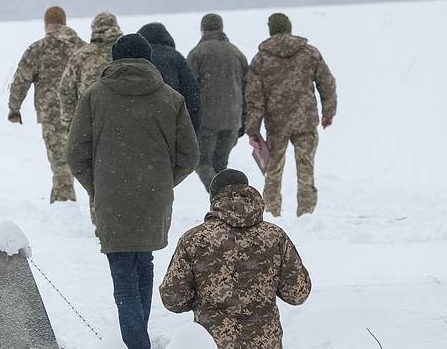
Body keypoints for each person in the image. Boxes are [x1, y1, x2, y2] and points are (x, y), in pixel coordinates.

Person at [67, 34, 198, 349]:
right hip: (154, 198)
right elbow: (189, 156)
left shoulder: (94, 96)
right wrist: (161, 182)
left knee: (123, 275)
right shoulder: (171, 98)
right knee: (143, 265)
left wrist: (99, 187)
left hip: (111, 199)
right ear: (148, 58)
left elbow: (75, 155)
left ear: (115, 58)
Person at [159, 169, 312, 349]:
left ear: (214, 199)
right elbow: (298, 293)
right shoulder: (275, 237)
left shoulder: (195, 239)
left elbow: (172, 298)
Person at [244, 12, 337, 216]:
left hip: (276, 124)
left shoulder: (261, 59)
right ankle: (306, 213)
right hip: (306, 121)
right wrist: (328, 112)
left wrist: (252, 129)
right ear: (289, 27)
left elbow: (254, 97)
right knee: (306, 170)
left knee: (273, 172)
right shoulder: (310, 53)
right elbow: (327, 84)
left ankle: (270, 213)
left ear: (271, 29)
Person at [8, 6, 86, 203]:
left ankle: (64, 206)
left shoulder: (38, 49)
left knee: (60, 164)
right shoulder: (83, 48)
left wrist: (14, 109)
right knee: (85, 163)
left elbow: (21, 80)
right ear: (65, 23)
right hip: (81, 114)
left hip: (52, 116)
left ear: (46, 25)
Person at [187, 13, 249, 191]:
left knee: (203, 162)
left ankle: (220, 197)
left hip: (207, 121)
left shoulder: (197, 53)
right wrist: (243, 121)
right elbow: (247, 89)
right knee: (221, 164)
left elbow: (190, 90)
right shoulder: (237, 53)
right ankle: (228, 201)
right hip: (232, 120)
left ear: (203, 28)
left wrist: (190, 121)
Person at [58, 11, 123, 133]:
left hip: (88, 124)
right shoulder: (127, 51)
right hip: (124, 123)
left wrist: (70, 123)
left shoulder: (81, 56)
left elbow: (66, 90)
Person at [136, 22, 200, 131]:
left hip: (138, 120)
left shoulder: (135, 57)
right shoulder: (176, 57)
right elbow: (191, 94)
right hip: (170, 120)